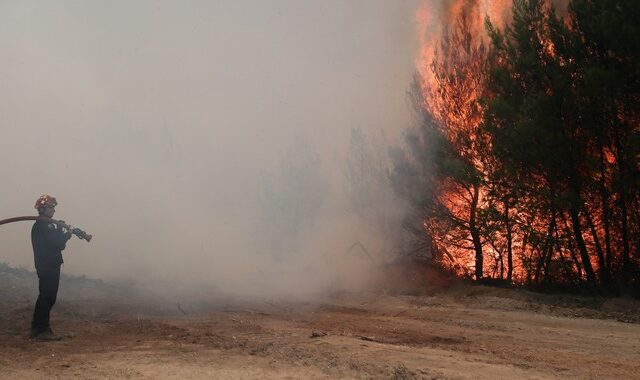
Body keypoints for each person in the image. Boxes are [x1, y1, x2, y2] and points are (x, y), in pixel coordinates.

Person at [30, 194, 72, 341]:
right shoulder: (43, 225)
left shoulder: (44, 225)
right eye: (51, 207)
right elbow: (57, 244)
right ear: (42, 209)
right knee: (47, 297)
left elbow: (54, 242)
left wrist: (60, 230)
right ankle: (41, 331)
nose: (53, 210)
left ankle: (39, 329)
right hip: (48, 266)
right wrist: (66, 235)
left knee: (46, 297)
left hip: (48, 265)